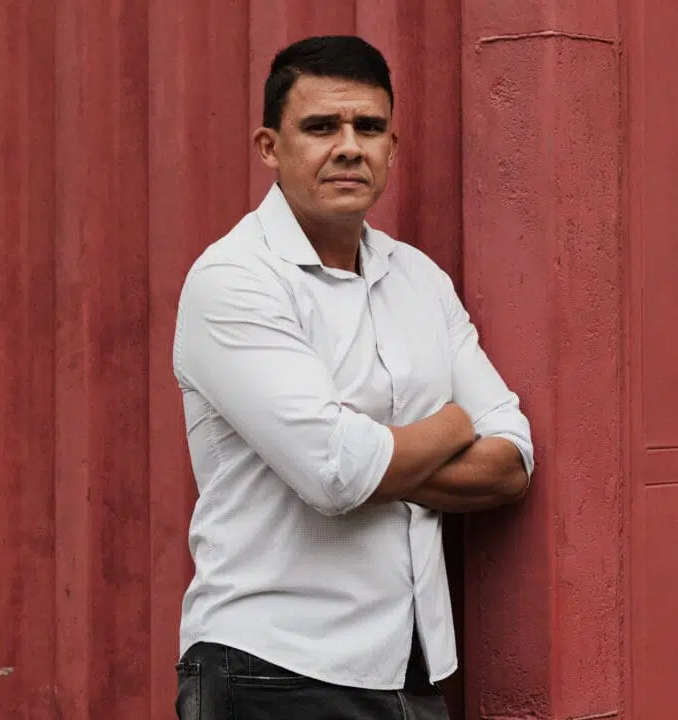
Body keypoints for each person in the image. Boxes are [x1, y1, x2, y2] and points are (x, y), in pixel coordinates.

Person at [171, 35, 534, 720]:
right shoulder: (235, 280)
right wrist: (454, 423)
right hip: (272, 671)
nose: (348, 147)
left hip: (412, 671)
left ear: (392, 148)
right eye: (320, 127)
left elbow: (512, 461)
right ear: (269, 147)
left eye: (368, 128)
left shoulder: (419, 279)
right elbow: (336, 474)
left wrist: (371, 458)